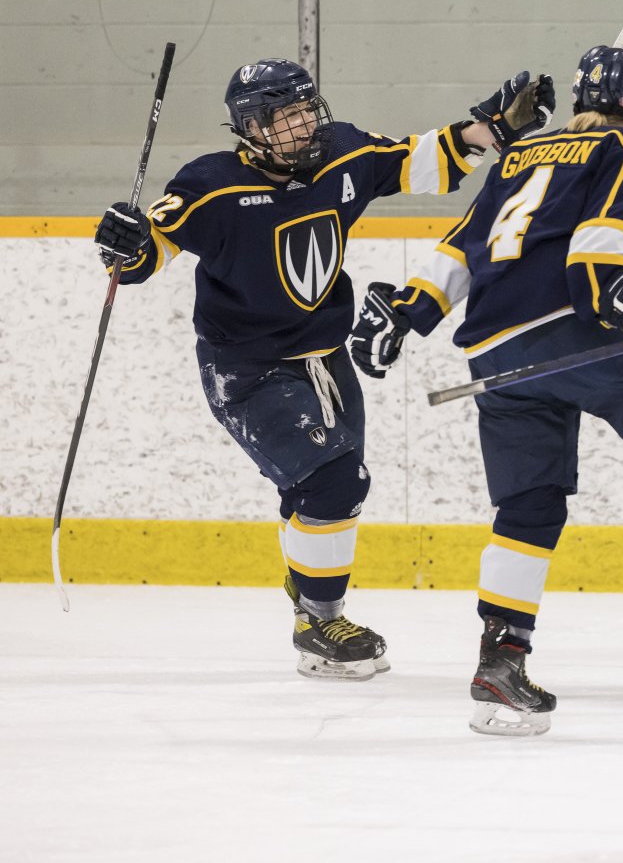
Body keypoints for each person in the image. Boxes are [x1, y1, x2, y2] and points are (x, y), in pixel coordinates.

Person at [92, 58, 554, 681]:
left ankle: (310, 585)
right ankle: (318, 621)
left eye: (309, 108)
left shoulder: (340, 152)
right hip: (247, 367)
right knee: (334, 482)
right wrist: (123, 244)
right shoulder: (211, 184)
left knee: (326, 489)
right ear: (252, 127)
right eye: (288, 116)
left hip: (327, 357)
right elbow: (149, 252)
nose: (306, 124)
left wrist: (489, 130)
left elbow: (417, 160)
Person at [348, 45, 623, 736]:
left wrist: (408, 315)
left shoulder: (519, 155)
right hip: (575, 330)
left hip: (495, 347)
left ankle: (500, 662)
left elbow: (461, 249)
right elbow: (601, 246)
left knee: (529, 506)